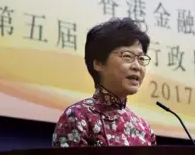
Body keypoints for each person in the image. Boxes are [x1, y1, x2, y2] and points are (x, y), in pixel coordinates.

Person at [52, 17, 157, 147]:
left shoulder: (144, 129)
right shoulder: (78, 117)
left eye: (141, 59)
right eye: (127, 56)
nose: (137, 66)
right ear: (99, 63)